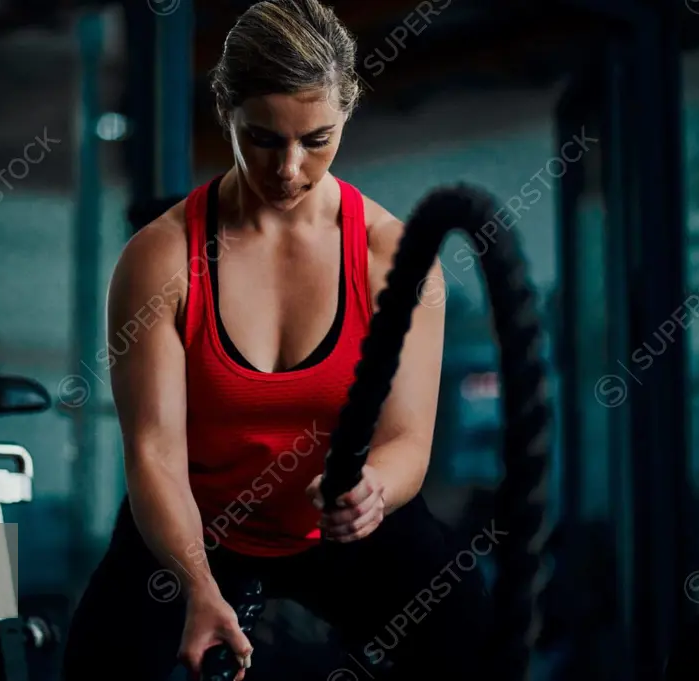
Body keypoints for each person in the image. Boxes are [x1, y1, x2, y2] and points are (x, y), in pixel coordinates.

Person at [61, 1, 492, 678]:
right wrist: (198, 585)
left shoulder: (393, 257)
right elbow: (154, 454)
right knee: (98, 664)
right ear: (226, 111)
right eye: (263, 138)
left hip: (346, 527)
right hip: (197, 526)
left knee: (468, 642)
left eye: (316, 139)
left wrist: (376, 486)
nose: (290, 167)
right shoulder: (162, 259)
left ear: (346, 111)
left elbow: (408, 439)